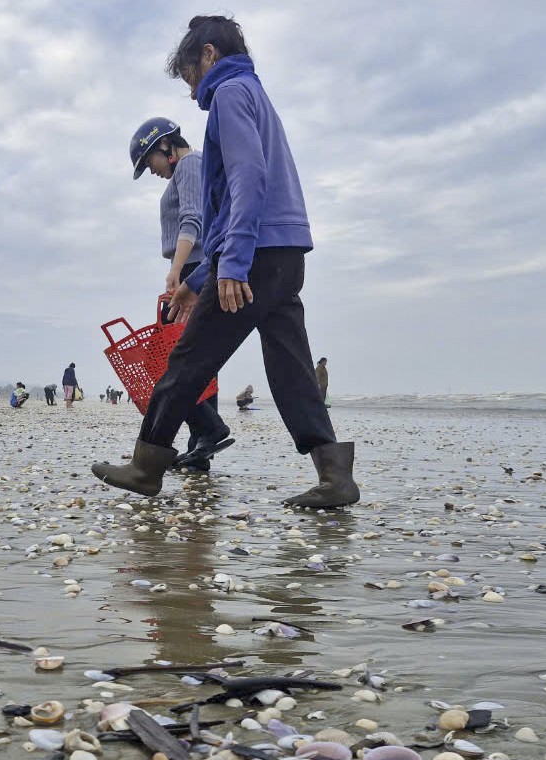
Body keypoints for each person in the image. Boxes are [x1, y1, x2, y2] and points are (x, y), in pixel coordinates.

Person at [92, 15, 359, 509]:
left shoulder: (232, 94)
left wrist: (232, 265)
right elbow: (234, 198)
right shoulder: (256, 95)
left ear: (209, 55)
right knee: (291, 366)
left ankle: (146, 466)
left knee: (190, 359)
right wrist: (198, 278)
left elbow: (247, 180)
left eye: (191, 74)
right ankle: (334, 474)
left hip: (254, 254)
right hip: (284, 252)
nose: (193, 90)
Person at [131, 116, 233, 472]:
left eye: (150, 163)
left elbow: (192, 220)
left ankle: (209, 428)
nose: (152, 171)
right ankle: (201, 449)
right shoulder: (196, 166)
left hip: (195, 269)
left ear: (165, 146)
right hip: (200, 268)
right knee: (200, 360)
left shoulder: (190, 164)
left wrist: (177, 270)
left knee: (165, 361)